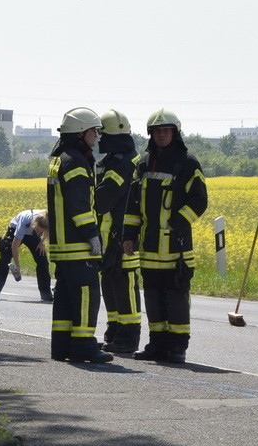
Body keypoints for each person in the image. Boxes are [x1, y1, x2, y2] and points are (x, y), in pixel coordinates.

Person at [122, 108, 208, 364]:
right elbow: (133, 204)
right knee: (154, 298)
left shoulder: (188, 163)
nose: (162, 135)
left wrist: (178, 222)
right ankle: (157, 344)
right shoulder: (144, 164)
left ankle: (178, 347)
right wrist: (129, 235)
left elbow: (200, 200)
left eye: (166, 131)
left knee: (176, 299)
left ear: (175, 133)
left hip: (176, 247)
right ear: (151, 134)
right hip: (149, 248)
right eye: (157, 131)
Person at [47, 107, 112, 364]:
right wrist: (92, 234)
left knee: (64, 297)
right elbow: (79, 204)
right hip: (77, 245)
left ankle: (62, 346)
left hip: (62, 246)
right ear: (81, 133)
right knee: (87, 294)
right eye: (93, 131)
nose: (96, 137)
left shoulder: (59, 158)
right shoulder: (75, 162)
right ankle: (84, 346)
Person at [95, 109, 142, 353]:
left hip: (123, 237)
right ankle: (114, 331)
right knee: (111, 286)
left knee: (125, 287)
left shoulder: (123, 163)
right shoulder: (114, 160)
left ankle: (128, 336)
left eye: (101, 134)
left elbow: (104, 199)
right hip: (109, 237)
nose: (99, 139)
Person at [0, 209, 52, 302]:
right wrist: (18, 267)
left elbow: (46, 231)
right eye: (38, 230)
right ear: (35, 224)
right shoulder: (25, 223)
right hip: (15, 229)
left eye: (41, 232)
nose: (39, 233)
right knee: (5, 259)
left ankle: (46, 294)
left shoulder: (47, 220)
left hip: (32, 233)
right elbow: (14, 247)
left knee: (42, 260)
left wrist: (41, 242)